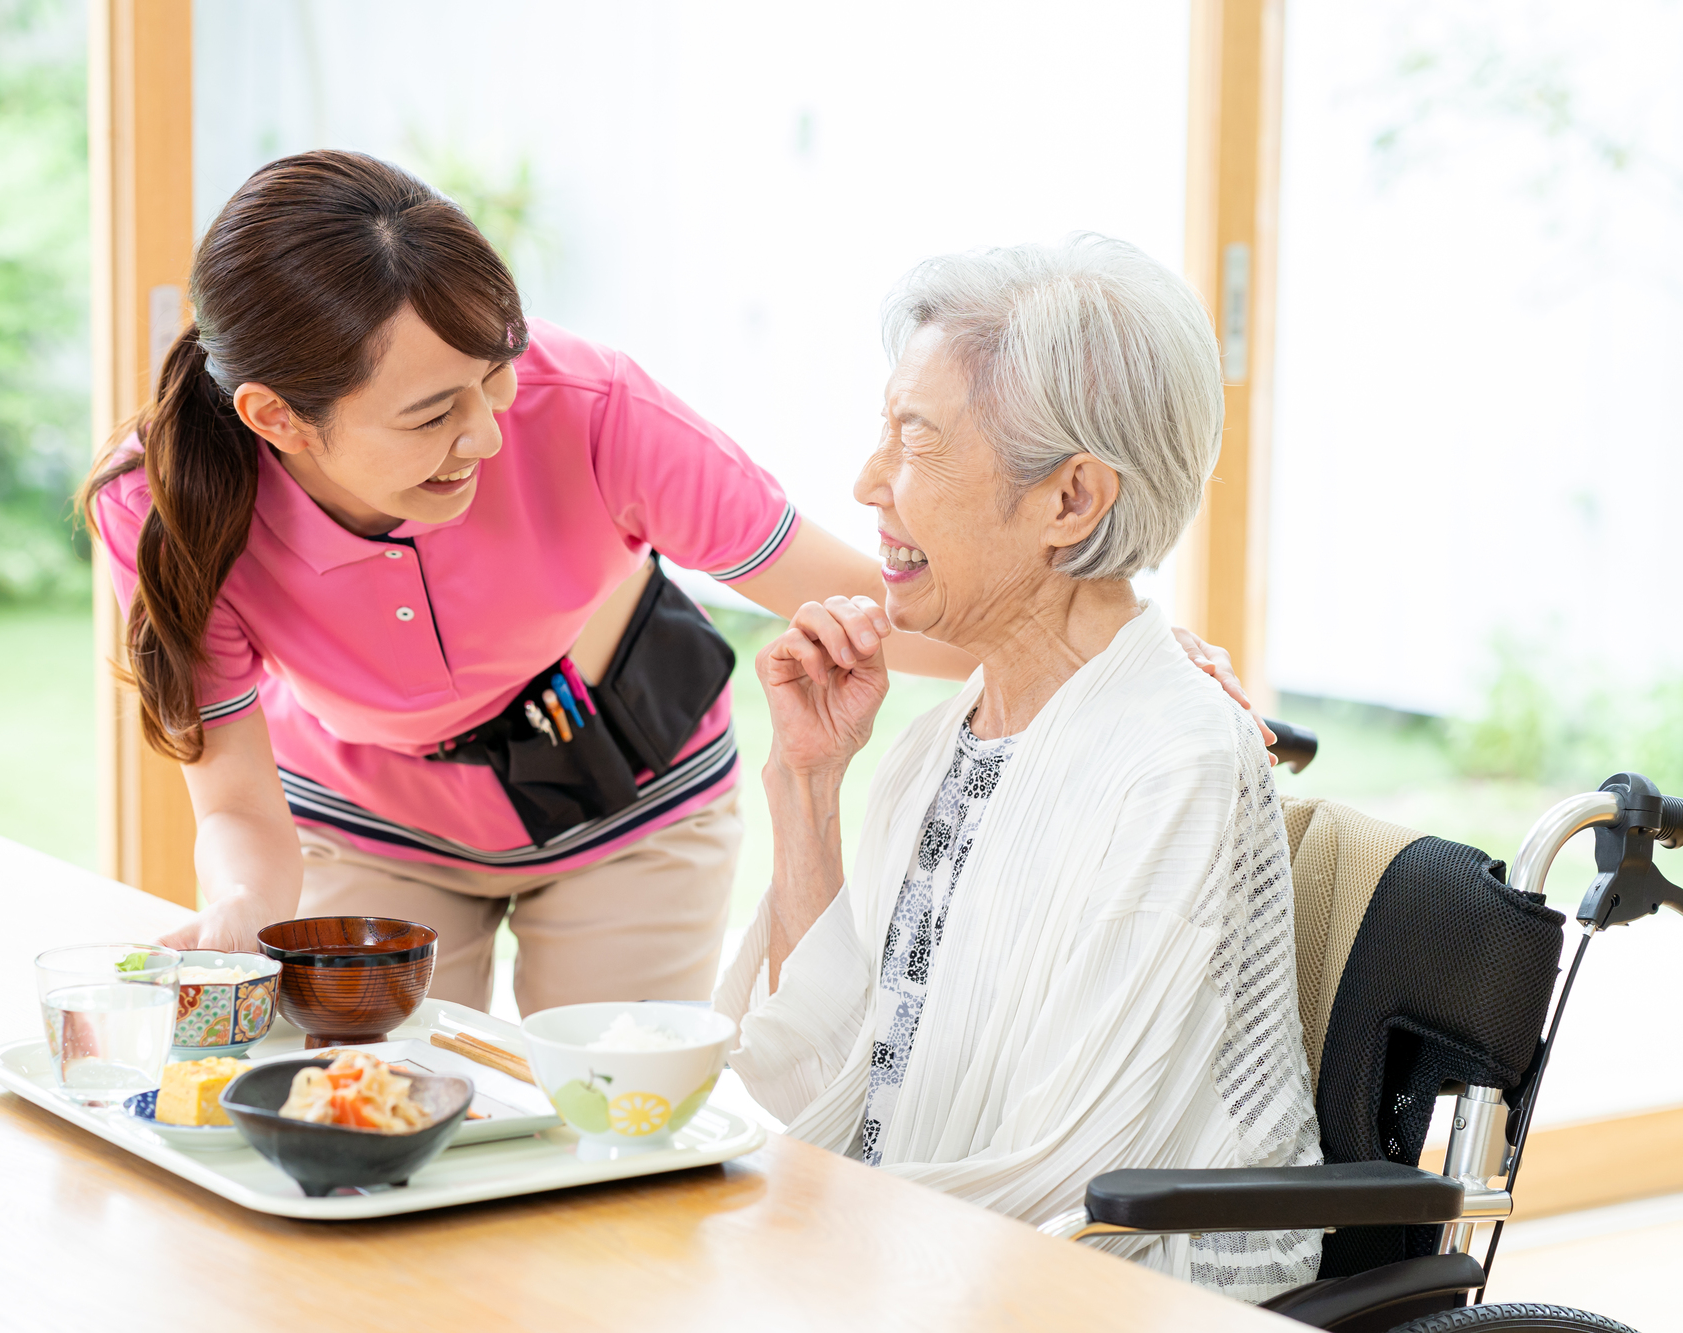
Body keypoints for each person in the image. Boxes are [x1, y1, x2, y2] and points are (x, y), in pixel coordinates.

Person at [81, 150, 1264, 1017]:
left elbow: (888, 605)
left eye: (493, 377)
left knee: (604, 1157)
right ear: (276, 417)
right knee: (385, 1116)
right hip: (370, 819)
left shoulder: (593, 411)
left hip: (628, 802)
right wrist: (240, 911)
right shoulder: (172, 506)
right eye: (431, 412)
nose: (488, 435)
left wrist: (1121, 650)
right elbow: (236, 802)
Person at [715, 236, 1321, 1302]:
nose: (865, 482)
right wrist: (806, 785)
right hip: (923, 1260)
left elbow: (1066, 1186)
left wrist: (793, 1243)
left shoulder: (1169, 764)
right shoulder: (944, 735)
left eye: (915, 440)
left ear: (1070, 500)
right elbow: (829, 1085)